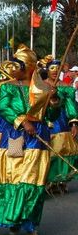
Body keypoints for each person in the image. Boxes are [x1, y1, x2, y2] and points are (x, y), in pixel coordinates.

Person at [0, 45, 56, 235]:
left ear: (28, 67)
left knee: (32, 180)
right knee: (14, 176)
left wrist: (55, 100)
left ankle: (30, 224)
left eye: (16, 65)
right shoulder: (7, 86)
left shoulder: (43, 88)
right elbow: (3, 107)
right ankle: (14, 219)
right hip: (15, 136)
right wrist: (22, 121)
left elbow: (51, 115)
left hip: (37, 138)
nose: (11, 69)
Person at [43, 59, 78, 193]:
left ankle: (61, 179)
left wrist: (74, 123)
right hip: (46, 121)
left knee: (64, 150)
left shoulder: (66, 87)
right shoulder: (40, 85)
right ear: (47, 70)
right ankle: (49, 179)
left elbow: (70, 106)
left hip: (62, 122)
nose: (55, 71)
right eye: (52, 68)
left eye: (58, 68)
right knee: (50, 151)